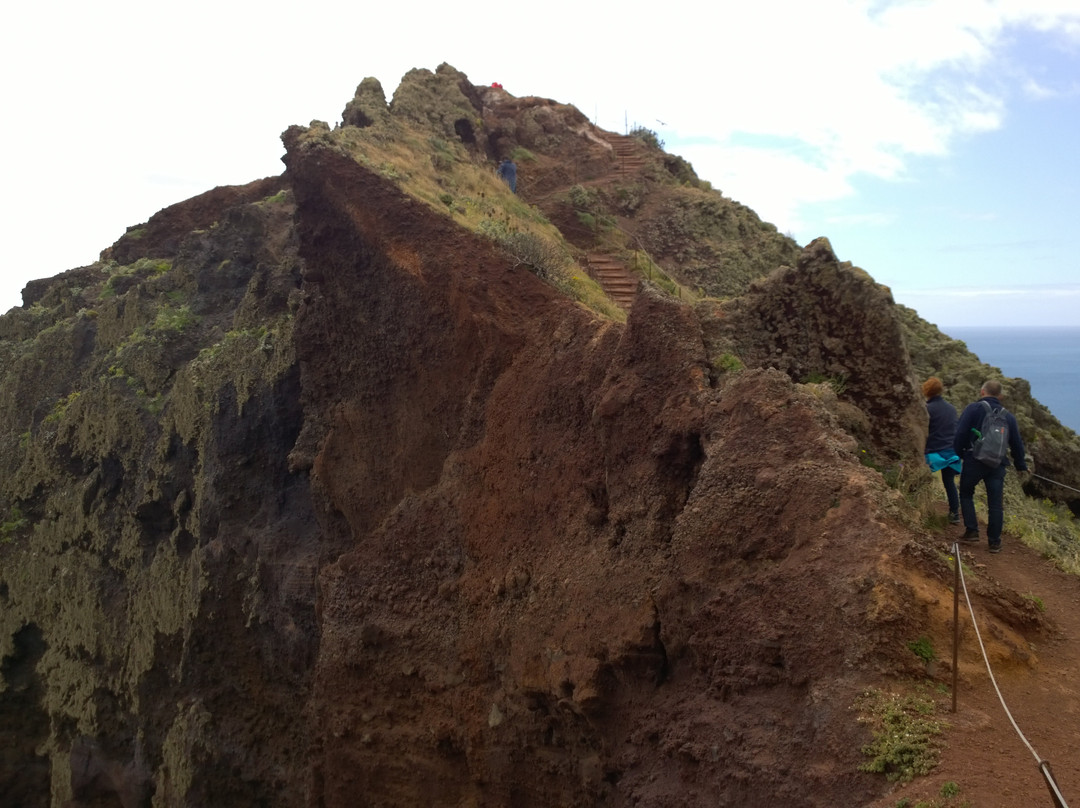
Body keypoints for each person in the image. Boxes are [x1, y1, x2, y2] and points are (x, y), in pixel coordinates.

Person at [952, 379, 1028, 553]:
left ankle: (972, 531)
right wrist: (1021, 465)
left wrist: (957, 455)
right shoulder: (1008, 416)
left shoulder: (973, 409)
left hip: (974, 460)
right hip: (997, 464)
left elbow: (961, 433)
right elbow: (1017, 444)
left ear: (982, 392)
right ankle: (994, 542)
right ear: (1000, 396)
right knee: (995, 504)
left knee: (966, 493)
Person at [922, 377, 961, 524]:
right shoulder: (951, 409)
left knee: (923, 480)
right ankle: (955, 514)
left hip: (932, 452)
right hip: (951, 451)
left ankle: (924, 509)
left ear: (926, 390)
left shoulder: (926, 408)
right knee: (949, 482)